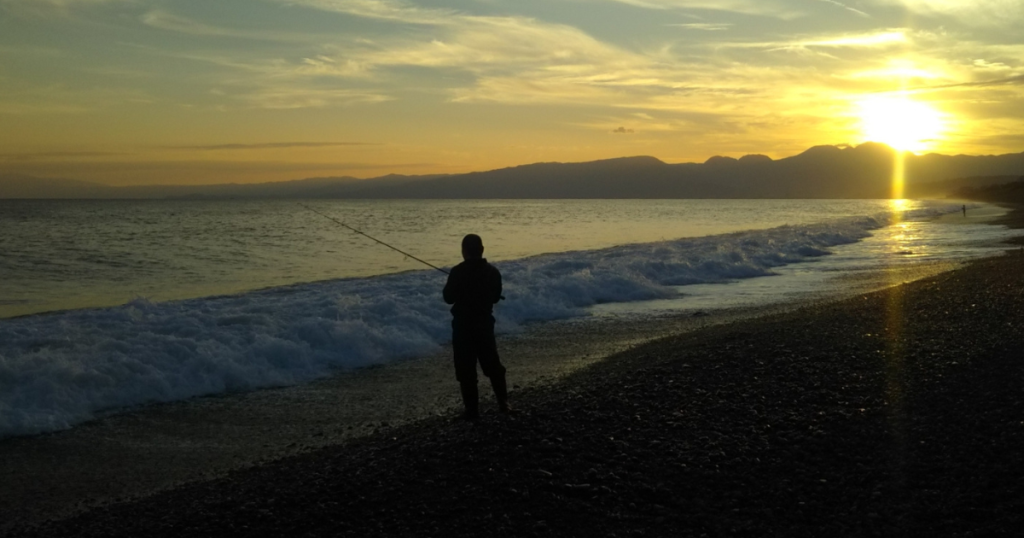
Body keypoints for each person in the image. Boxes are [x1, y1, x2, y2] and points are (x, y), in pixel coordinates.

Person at [443, 234, 509, 420]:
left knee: (466, 370)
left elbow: (448, 298)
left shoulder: (457, 272)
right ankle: (504, 403)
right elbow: (495, 297)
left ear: (464, 251)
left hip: (463, 327)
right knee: (493, 365)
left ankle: (472, 411)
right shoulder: (493, 272)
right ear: (482, 250)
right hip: (484, 325)